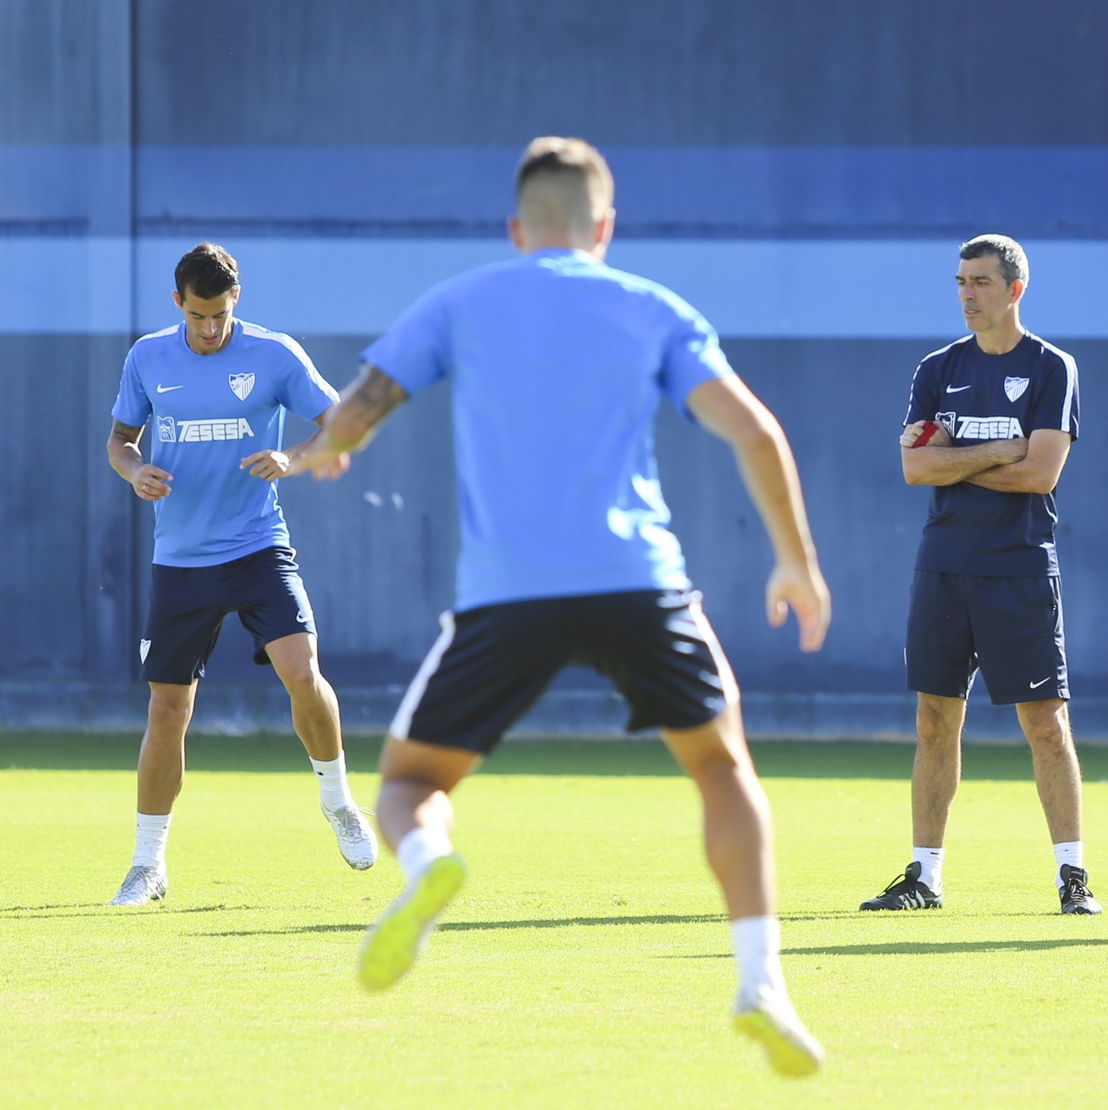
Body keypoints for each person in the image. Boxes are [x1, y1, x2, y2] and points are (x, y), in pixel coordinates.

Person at [290, 137, 832, 1077]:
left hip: (509, 596)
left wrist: (327, 449)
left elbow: (360, 405)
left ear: (515, 230)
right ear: (605, 228)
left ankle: (428, 871)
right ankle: (761, 980)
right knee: (721, 768)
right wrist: (796, 562)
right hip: (640, 581)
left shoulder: (460, 300)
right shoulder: (652, 307)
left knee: (410, 786)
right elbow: (755, 429)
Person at [104, 242, 377, 907]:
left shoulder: (274, 354)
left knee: (303, 675)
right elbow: (120, 442)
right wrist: (135, 471)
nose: (209, 329)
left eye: (220, 316)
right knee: (167, 709)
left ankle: (338, 802)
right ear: (179, 304)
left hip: (258, 548)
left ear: (237, 301)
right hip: (181, 560)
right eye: (198, 317)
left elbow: (343, 426)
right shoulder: (147, 357)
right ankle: (148, 865)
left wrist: (295, 458)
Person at [861, 234, 1099, 916]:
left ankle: (1073, 877)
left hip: (1019, 569)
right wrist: (999, 444)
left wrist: (954, 455)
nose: (969, 293)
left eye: (982, 282)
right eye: (961, 281)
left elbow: (1041, 473)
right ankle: (924, 876)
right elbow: (914, 469)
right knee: (934, 719)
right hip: (944, 565)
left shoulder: (1052, 368)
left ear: (1015, 290)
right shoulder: (937, 369)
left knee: (1046, 724)